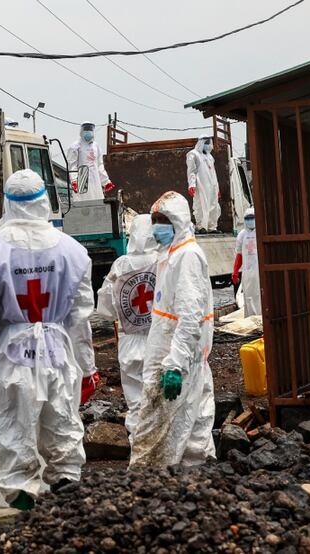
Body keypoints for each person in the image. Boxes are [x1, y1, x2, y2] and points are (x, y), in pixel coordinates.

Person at [0, 169, 99, 510]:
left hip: (12, 357)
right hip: (58, 354)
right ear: (44, 202)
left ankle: (21, 518)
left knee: (13, 439)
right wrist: (87, 369)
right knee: (63, 434)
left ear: (8, 203)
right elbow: (80, 319)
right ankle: (67, 512)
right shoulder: (73, 251)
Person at [130, 191, 215, 468]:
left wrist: (175, 364)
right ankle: (196, 472)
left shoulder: (187, 256)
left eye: (163, 220)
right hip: (176, 353)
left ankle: (147, 476)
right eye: (154, 220)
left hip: (174, 357)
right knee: (192, 419)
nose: (157, 226)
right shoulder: (172, 254)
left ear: (177, 221)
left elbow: (190, 316)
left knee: (157, 422)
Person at [96, 214, 158, 436]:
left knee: (136, 401)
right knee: (160, 399)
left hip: (129, 341)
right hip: (159, 339)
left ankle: (138, 444)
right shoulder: (163, 260)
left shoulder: (121, 264)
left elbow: (105, 308)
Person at [66, 122, 114, 201]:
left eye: (90, 129)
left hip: (95, 181)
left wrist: (106, 181)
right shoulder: (75, 146)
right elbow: (72, 165)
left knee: (97, 201)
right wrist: (74, 180)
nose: (88, 131)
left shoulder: (96, 146)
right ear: (81, 130)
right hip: (82, 180)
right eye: (86, 129)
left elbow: (100, 165)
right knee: (83, 203)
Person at [186, 134, 219, 233]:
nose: (208, 144)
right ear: (200, 142)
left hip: (212, 186)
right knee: (200, 205)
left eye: (209, 142)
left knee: (213, 205)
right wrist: (192, 184)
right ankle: (201, 227)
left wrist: (217, 189)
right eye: (206, 142)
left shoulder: (210, 156)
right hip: (201, 185)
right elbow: (191, 171)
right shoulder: (193, 154)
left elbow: (214, 173)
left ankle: (212, 227)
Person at [232, 207, 260, 317]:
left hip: (259, 271)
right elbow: (239, 255)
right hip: (247, 272)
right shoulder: (242, 235)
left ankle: (260, 317)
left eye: (252, 218)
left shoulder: (261, 233)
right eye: (247, 218)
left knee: (259, 294)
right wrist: (235, 271)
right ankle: (250, 318)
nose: (250, 221)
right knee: (248, 295)